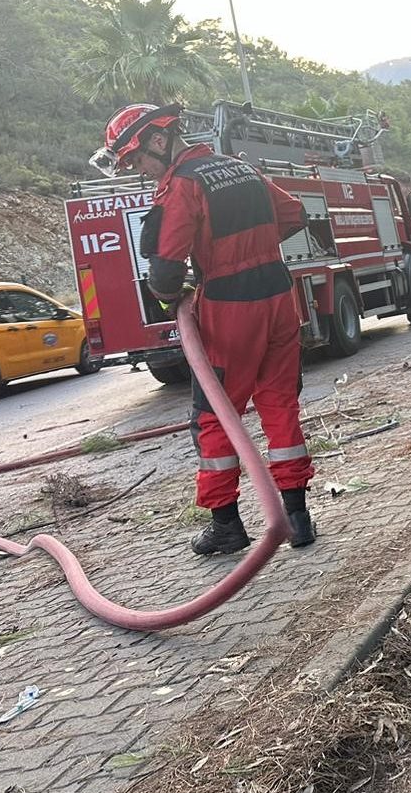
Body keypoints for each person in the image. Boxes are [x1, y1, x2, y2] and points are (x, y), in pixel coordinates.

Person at [92, 104, 317, 554]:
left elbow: (165, 275)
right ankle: (298, 520)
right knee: (279, 405)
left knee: (215, 415)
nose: (141, 171)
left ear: (158, 139)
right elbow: (294, 215)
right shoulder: (242, 169)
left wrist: (193, 280)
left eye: (137, 160)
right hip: (278, 294)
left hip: (230, 306)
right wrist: (251, 251)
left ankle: (227, 527)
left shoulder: (180, 187)